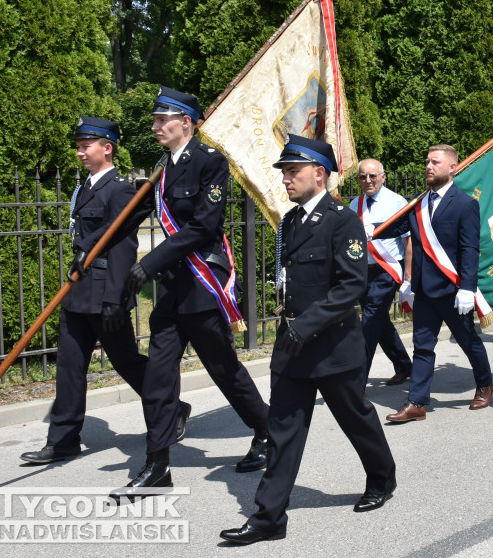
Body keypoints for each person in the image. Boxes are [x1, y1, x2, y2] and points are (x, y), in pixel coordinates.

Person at [220, 137, 397, 545]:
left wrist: (308, 324)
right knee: (283, 430)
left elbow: (352, 285)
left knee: (356, 418)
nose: (285, 179)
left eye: (292, 171)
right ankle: (268, 518)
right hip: (292, 344)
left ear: (319, 173)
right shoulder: (292, 221)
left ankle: (381, 477)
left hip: (332, 346)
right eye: (283, 172)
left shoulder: (342, 220)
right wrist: (291, 327)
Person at [116, 87, 270, 497]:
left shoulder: (210, 162)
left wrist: (149, 263)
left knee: (224, 370)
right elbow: (135, 215)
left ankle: (267, 430)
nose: (153, 127)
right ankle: (158, 463)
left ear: (185, 121)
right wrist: (92, 249)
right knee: (159, 376)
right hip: (172, 289)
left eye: (160, 120)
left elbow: (203, 226)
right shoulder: (161, 167)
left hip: (202, 283)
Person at [21, 117, 154, 464]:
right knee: (70, 365)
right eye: (78, 146)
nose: (80, 152)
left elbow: (122, 248)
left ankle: (169, 404)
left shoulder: (120, 189)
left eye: (86, 146)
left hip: (103, 295)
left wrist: (115, 299)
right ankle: (63, 439)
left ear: (107, 148)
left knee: (126, 361)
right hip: (79, 293)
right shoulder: (85, 188)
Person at [379, 144, 493, 423]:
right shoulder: (418, 203)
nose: (429, 166)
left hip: (453, 289)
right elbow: (395, 229)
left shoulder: (466, 204)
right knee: (423, 346)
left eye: (435, 162)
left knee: (468, 341)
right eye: (427, 161)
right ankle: (417, 403)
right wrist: (370, 229)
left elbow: (469, 249)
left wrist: (467, 288)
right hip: (424, 290)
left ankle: (485, 383)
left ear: (452, 168)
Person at [350, 159, 414, 386]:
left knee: (368, 323)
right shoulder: (354, 204)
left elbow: (409, 242)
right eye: (363, 176)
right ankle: (404, 365)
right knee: (379, 320)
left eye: (373, 176)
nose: (368, 181)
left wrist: (408, 277)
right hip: (363, 272)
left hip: (388, 270)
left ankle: (357, 383)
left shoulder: (396, 202)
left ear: (383, 176)